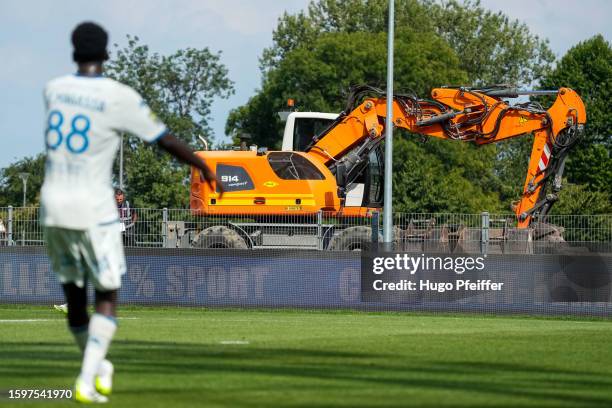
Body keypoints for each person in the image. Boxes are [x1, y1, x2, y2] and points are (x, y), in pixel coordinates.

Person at [42, 21, 221, 404]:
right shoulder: (117, 96)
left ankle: (97, 366)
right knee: (107, 293)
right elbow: (165, 140)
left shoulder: (53, 90)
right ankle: (86, 380)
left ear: (73, 52)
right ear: (106, 54)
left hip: (53, 206)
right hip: (93, 208)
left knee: (74, 298)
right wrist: (204, 165)